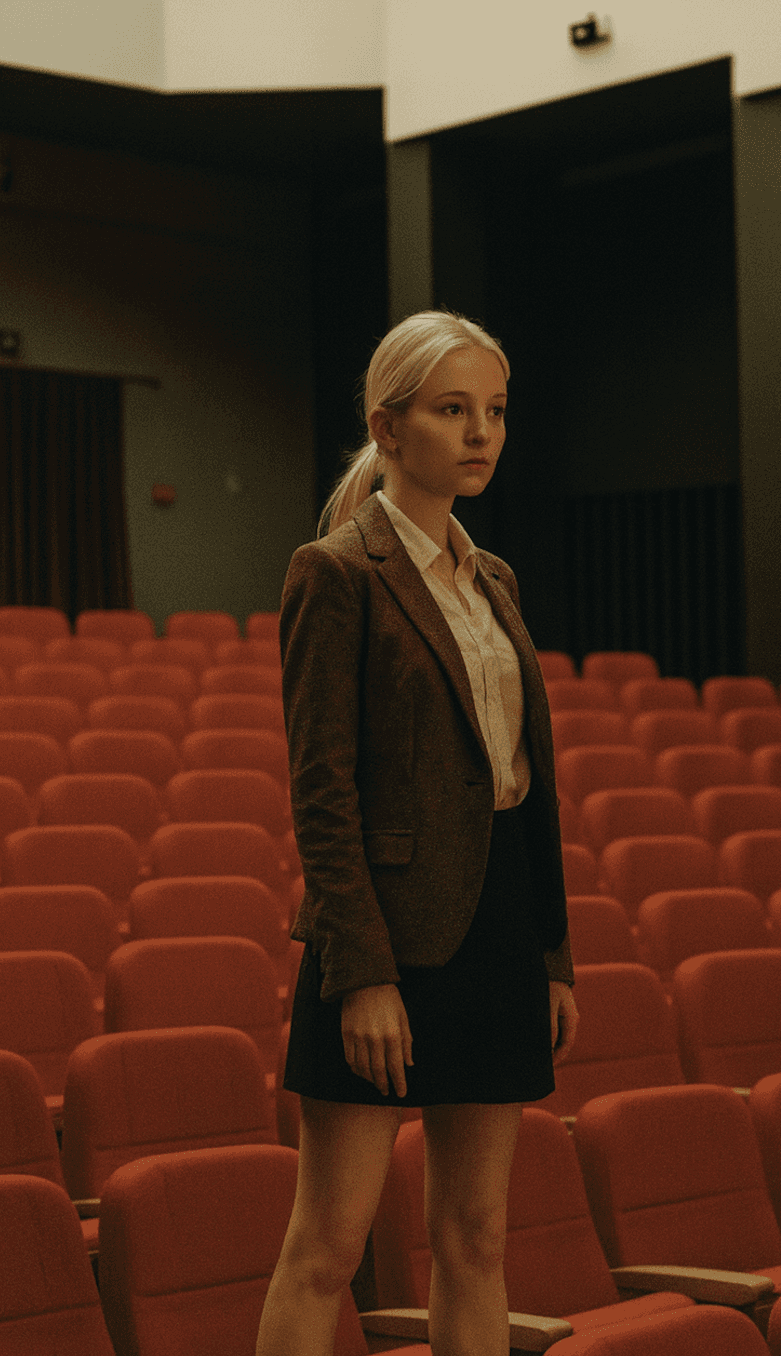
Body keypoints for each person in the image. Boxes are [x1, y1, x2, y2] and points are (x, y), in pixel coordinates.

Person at [256, 310, 578, 1356]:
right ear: (387, 429)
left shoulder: (495, 582)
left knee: (477, 1237)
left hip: (496, 931)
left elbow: (525, 784)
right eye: (453, 411)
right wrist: (363, 974)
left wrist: (550, 954)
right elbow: (323, 792)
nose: (480, 433)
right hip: (385, 942)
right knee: (327, 1248)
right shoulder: (336, 572)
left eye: (493, 411)